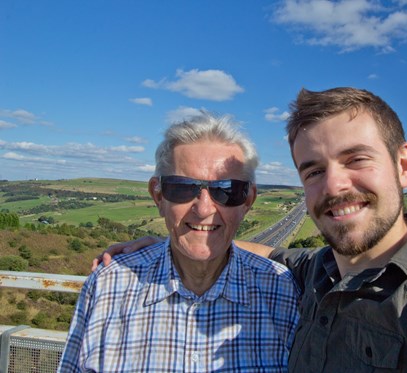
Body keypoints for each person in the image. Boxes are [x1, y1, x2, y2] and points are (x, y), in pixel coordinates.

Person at [96, 88, 407, 372]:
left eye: (356, 159)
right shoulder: (315, 274)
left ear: (403, 165)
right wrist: (181, 238)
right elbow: (258, 252)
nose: (334, 185)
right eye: (312, 170)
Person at [60, 113, 300, 372]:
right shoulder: (108, 286)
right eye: (183, 188)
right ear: (158, 196)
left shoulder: (282, 291)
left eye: (227, 190)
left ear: (248, 200)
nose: (204, 209)